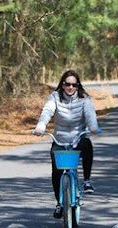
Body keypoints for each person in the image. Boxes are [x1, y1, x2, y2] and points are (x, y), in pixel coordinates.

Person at [34, 70, 99, 218]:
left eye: (74, 85)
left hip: (78, 138)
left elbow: (90, 114)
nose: (70, 87)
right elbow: (47, 111)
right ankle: (59, 203)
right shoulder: (55, 97)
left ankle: (87, 180)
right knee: (56, 171)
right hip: (60, 139)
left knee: (87, 144)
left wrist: (93, 126)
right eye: (67, 84)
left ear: (78, 86)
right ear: (62, 85)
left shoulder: (84, 99)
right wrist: (41, 125)